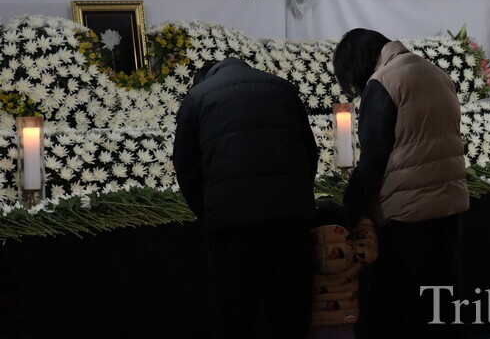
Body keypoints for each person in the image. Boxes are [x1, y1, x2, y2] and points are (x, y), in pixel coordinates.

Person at [332, 28, 470, 339]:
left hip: (408, 212)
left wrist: (352, 205)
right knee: (443, 295)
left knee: (406, 305)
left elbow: (375, 154)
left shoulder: (384, 82)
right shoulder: (433, 71)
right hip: (449, 202)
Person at [173, 57, 319, 339]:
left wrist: (208, 212)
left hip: (231, 223)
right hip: (289, 218)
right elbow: (308, 151)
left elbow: (186, 166)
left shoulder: (197, 96)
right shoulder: (283, 88)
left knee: (237, 316)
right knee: (289, 311)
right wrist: (296, 195)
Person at [309, 201, 378, 339]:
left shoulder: (308, 253)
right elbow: (370, 248)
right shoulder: (354, 255)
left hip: (314, 320)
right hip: (345, 319)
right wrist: (365, 222)